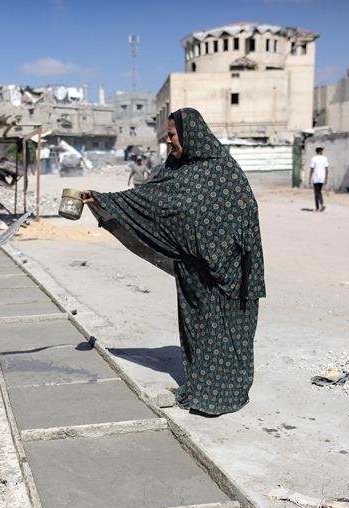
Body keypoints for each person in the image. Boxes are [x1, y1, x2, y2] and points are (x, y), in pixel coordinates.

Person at [81, 107, 265, 416]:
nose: (168, 141)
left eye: (171, 134)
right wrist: (104, 199)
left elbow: (245, 216)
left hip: (227, 272)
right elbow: (150, 201)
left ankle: (226, 394)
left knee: (229, 333)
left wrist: (220, 251)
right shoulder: (175, 170)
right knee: (201, 334)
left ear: (190, 134)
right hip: (192, 272)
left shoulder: (224, 171)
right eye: (168, 135)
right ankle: (202, 389)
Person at [309, 146, 329, 212]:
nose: (322, 152)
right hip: (322, 177)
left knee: (317, 192)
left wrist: (309, 178)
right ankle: (317, 207)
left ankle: (321, 204)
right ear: (319, 151)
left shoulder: (313, 159)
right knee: (318, 192)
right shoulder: (325, 159)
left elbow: (312, 169)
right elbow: (326, 169)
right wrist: (326, 178)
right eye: (322, 151)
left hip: (316, 177)